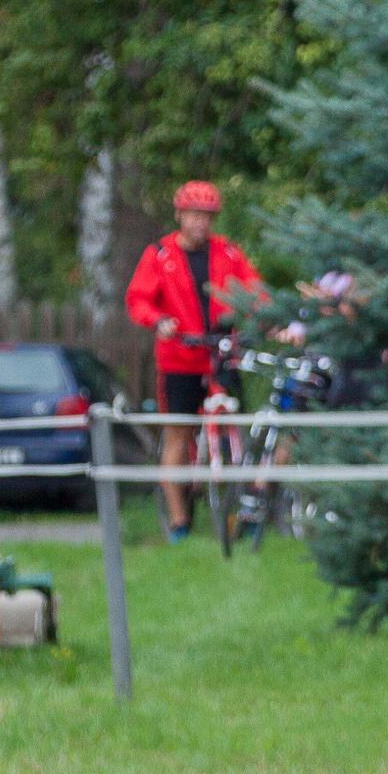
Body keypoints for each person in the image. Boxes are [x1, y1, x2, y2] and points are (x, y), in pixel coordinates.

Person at [123, 180, 266, 541]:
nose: (200, 222)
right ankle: (179, 522)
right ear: (180, 215)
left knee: (236, 425)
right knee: (178, 434)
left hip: (222, 355)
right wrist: (159, 321)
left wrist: (265, 317)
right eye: (194, 215)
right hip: (180, 359)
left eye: (207, 216)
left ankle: (244, 507)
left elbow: (254, 289)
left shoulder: (228, 253)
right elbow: (138, 299)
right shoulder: (160, 254)